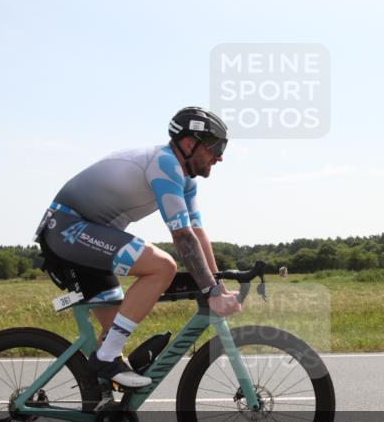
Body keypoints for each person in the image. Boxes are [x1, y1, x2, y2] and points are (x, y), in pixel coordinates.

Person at [34, 107, 241, 388]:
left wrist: (216, 284)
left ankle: (99, 406)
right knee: (162, 266)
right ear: (190, 144)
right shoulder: (165, 164)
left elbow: (197, 234)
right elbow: (182, 237)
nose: (220, 155)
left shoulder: (187, 181)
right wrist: (211, 290)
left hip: (90, 236)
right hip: (67, 229)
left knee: (113, 337)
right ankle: (105, 360)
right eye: (216, 145)